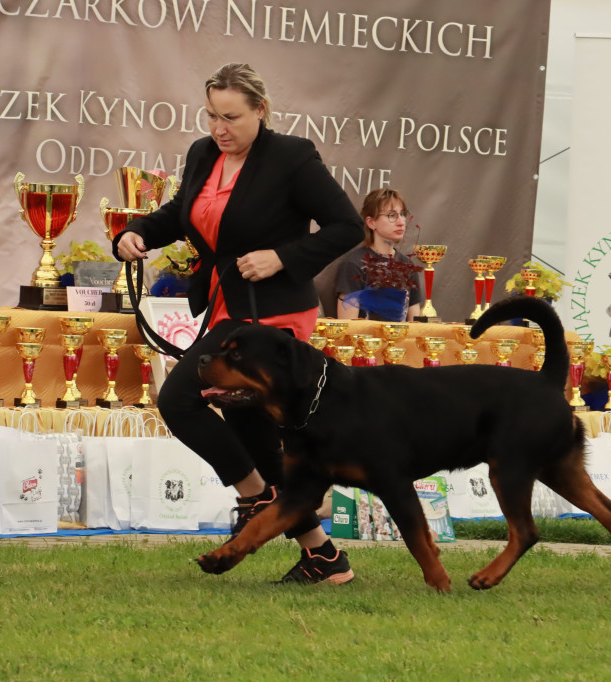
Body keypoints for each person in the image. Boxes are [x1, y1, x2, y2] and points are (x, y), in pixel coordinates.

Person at [113, 62, 363, 584]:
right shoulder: (203, 154)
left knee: (179, 398)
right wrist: (137, 231)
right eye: (211, 116)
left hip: (273, 315)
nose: (219, 128)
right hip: (228, 307)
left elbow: (346, 227)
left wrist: (283, 256)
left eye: (231, 117)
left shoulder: (293, 157)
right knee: (253, 433)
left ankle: (256, 498)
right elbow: (183, 212)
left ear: (261, 111)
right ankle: (325, 558)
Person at [334, 188, 423, 321]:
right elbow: (347, 328)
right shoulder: (354, 264)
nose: (401, 221)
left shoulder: (408, 265)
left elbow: (415, 326)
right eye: (391, 215)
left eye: (402, 214)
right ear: (371, 222)